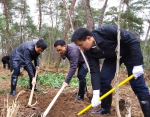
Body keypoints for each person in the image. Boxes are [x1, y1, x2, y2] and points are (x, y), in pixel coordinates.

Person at [71, 24, 150, 117]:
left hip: (129, 53)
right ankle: (105, 109)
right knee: (104, 79)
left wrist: (137, 64)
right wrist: (96, 93)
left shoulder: (106, 30)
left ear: (88, 38)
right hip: (112, 56)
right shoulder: (88, 52)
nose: (80, 48)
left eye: (80, 45)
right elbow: (94, 71)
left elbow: (133, 40)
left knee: (137, 84)